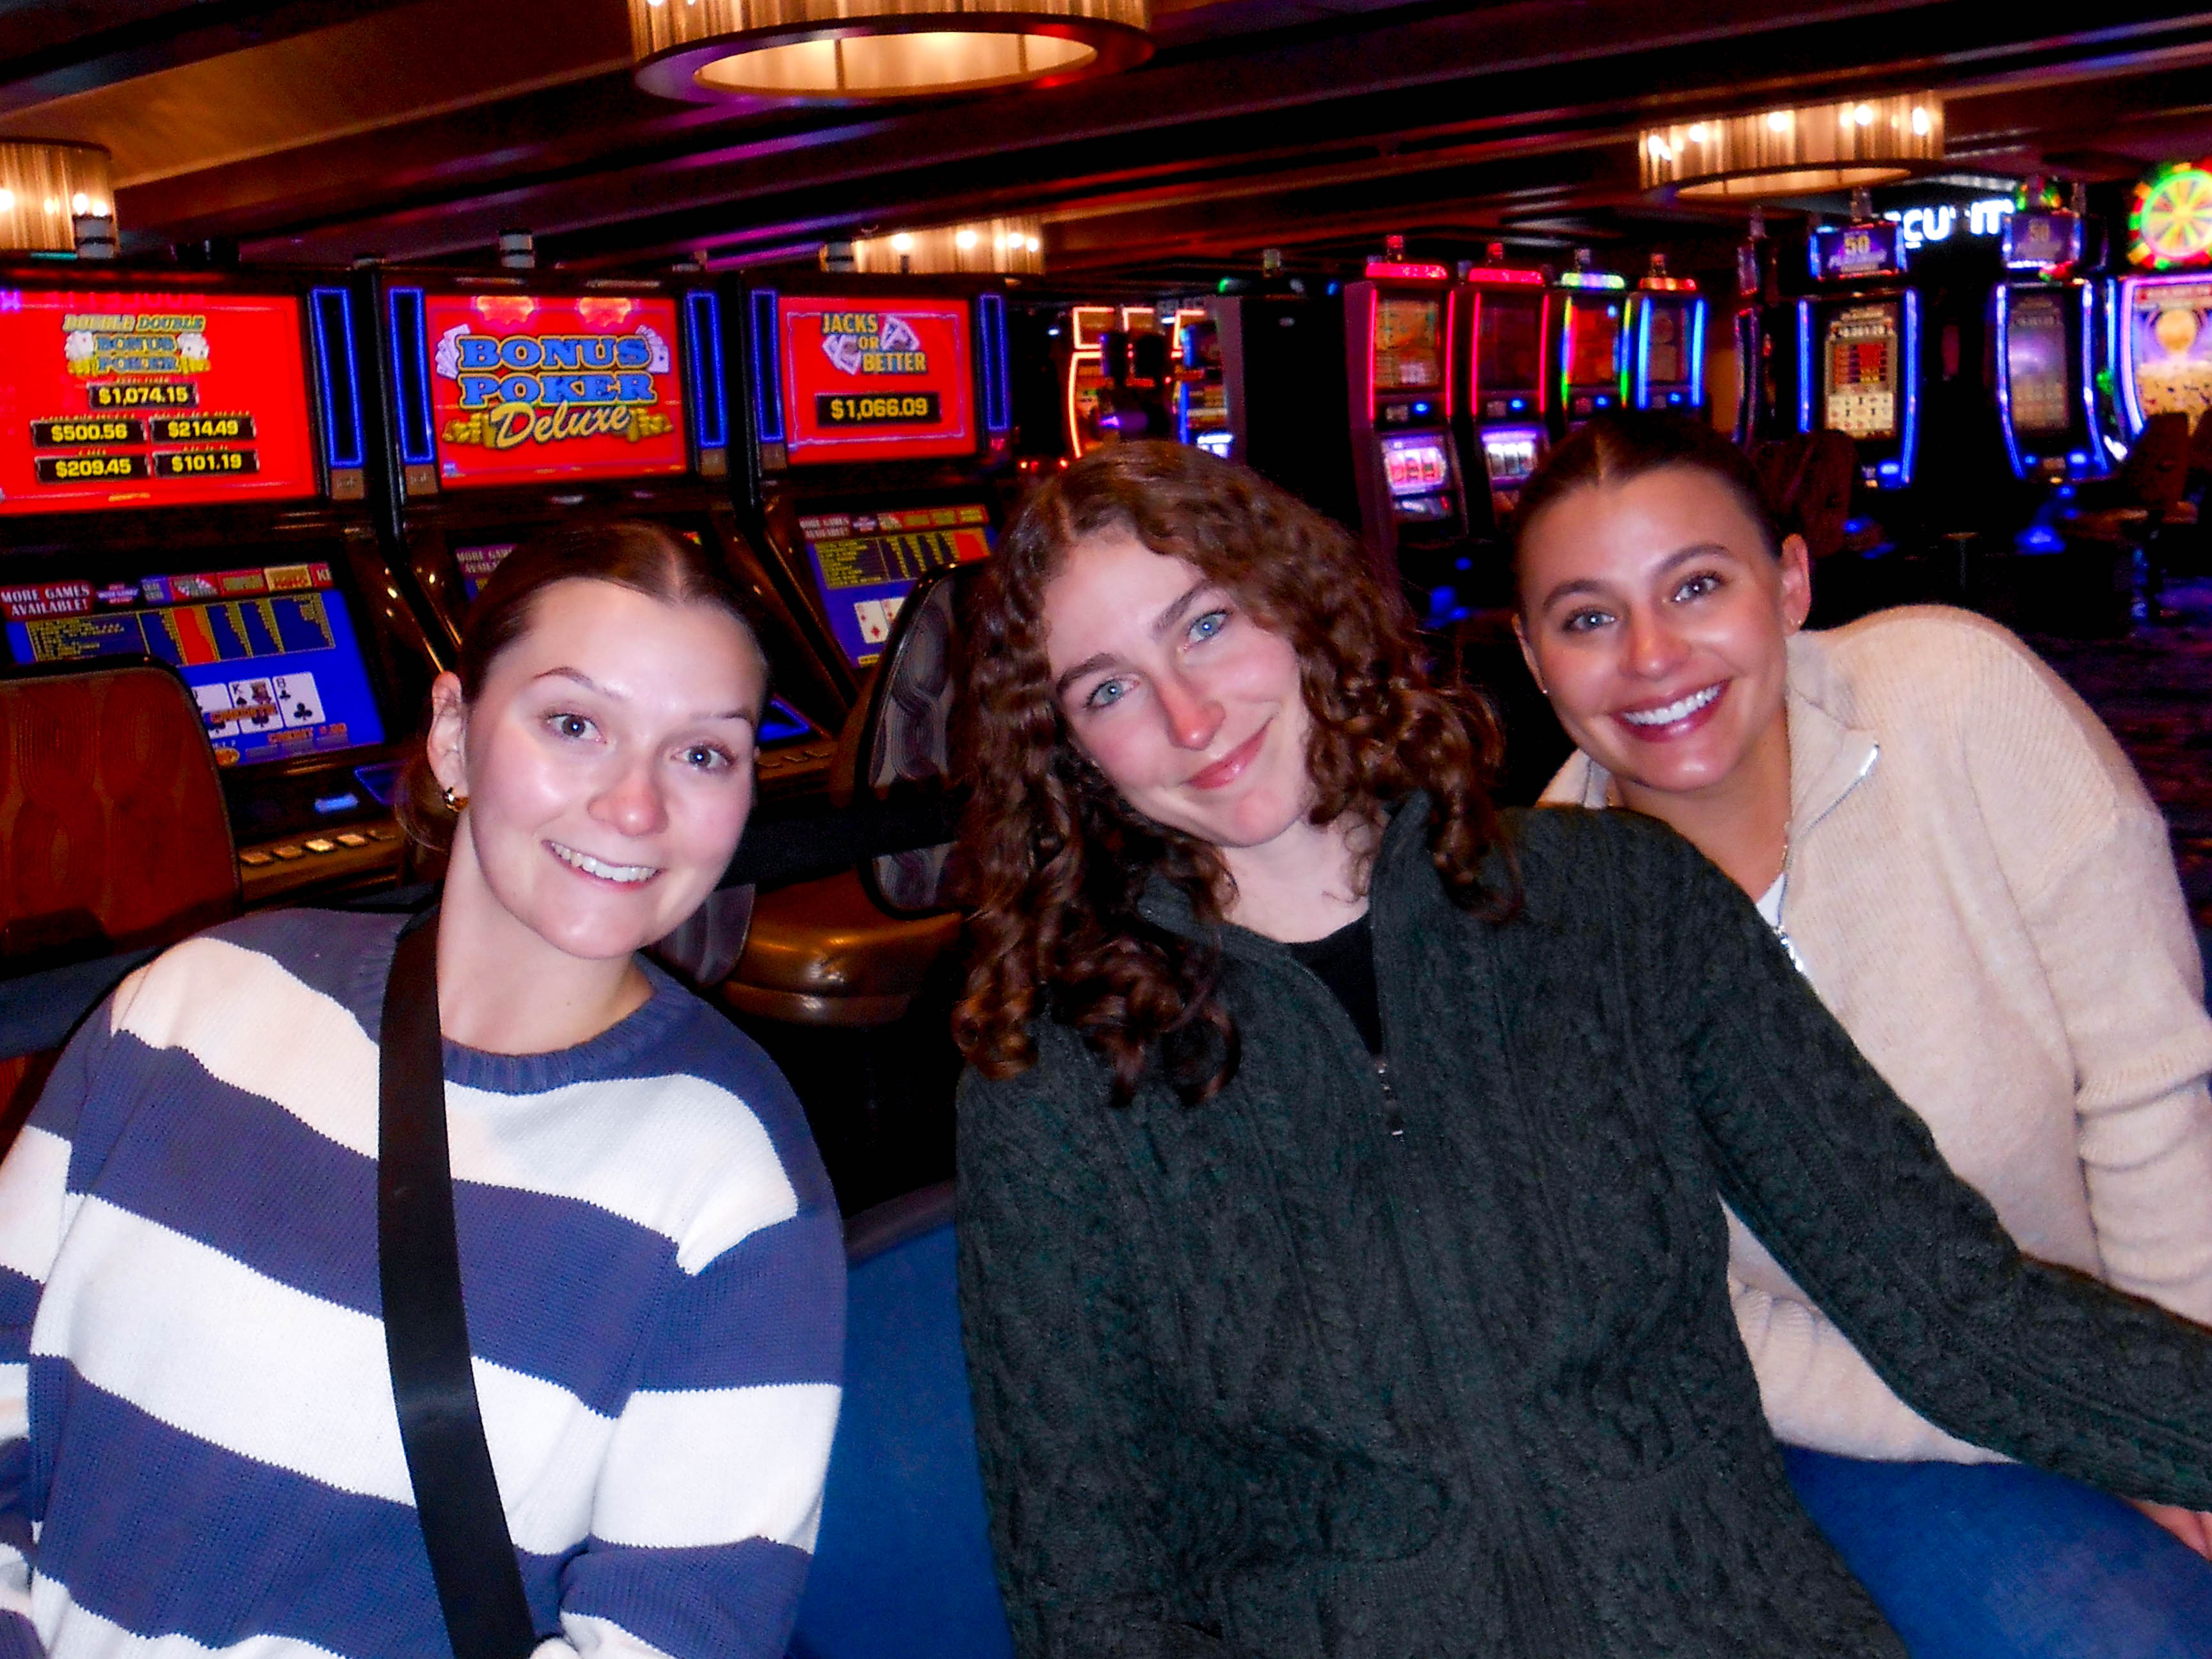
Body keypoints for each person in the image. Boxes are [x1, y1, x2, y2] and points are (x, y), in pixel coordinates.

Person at [949, 438, 2212, 1659]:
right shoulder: (1052, 1080)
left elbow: (1954, 1310)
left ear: (1295, 606)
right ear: (1070, 758)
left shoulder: (1620, 905)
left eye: (1207, 624)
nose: (1186, 712)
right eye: (1106, 689)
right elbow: (1090, 1589)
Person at [0, 522, 844, 1659]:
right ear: (453, 735)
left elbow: (677, 1633)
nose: (636, 808)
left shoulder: (736, 1178)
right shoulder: (191, 1004)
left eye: (703, 753)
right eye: (575, 725)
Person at [1516, 410, 2212, 1655]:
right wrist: (2071, 1430)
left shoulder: (1957, 700)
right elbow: (1704, 1317)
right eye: (1587, 618)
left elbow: (2147, 1099)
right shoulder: (1528, 929)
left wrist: (2177, 1422)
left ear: (1789, 582)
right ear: (1531, 658)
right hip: (1863, 1413)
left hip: (2157, 1323)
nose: (1653, 656)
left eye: (1696, 586)